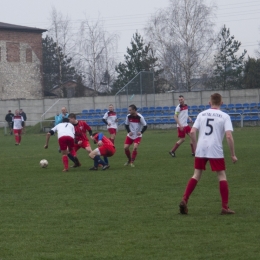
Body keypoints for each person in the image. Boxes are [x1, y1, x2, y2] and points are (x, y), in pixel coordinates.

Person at [179, 93, 238, 215]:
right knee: (221, 176)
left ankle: (184, 199)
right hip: (215, 148)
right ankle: (225, 207)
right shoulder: (224, 116)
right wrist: (232, 154)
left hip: (201, 148)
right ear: (221, 102)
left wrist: (195, 148)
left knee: (196, 175)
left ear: (209, 102)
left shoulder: (201, 114)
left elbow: (193, 132)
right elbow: (228, 135)